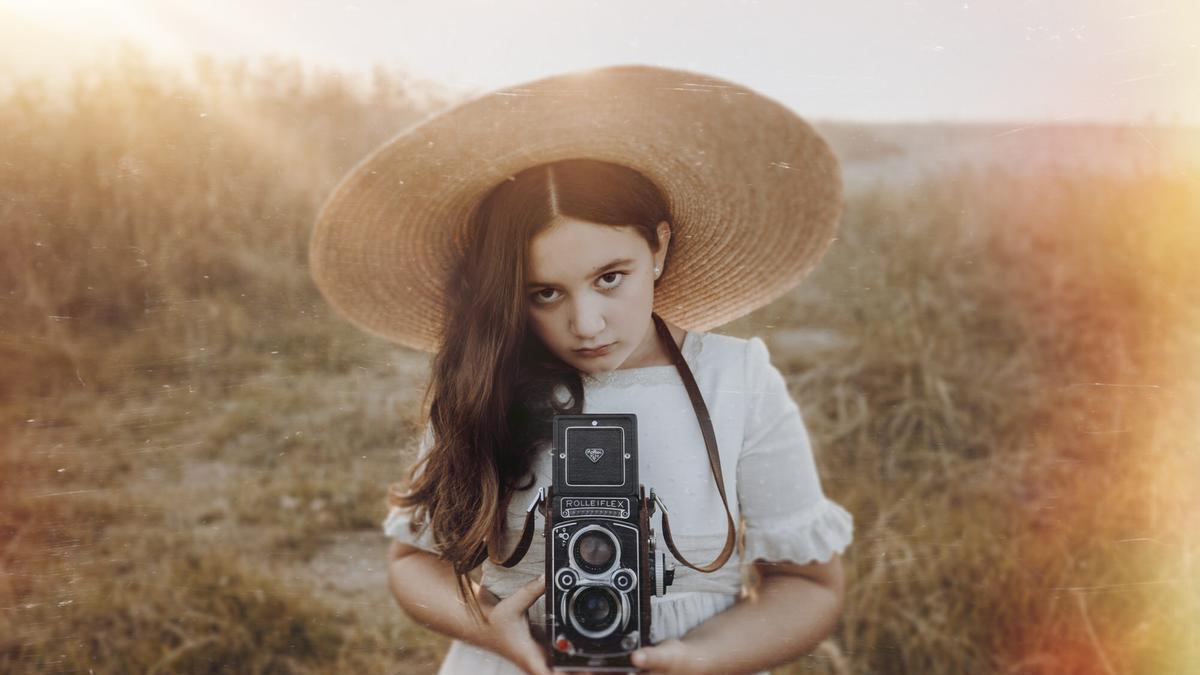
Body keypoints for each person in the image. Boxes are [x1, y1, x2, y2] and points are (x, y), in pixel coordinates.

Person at [309, 64, 855, 675]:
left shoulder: (737, 380)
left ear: (660, 248)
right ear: (508, 292)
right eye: (545, 292)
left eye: (609, 278)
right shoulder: (485, 380)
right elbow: (413, 562)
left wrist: (698, 658)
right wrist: (490, 629)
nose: (587, 323)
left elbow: (809, 586)